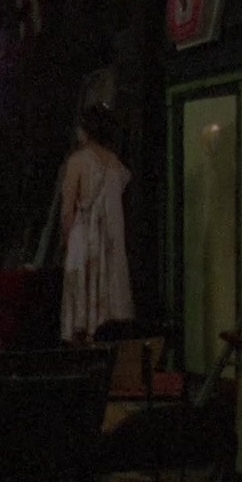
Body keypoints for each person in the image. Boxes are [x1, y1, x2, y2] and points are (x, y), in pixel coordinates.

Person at [59, 103, 134, 344]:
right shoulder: (116, 164)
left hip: (84, 240)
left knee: (81, 301)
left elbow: (67, 210)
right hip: (111, 245)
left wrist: (65, 241)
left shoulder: (78, 161)